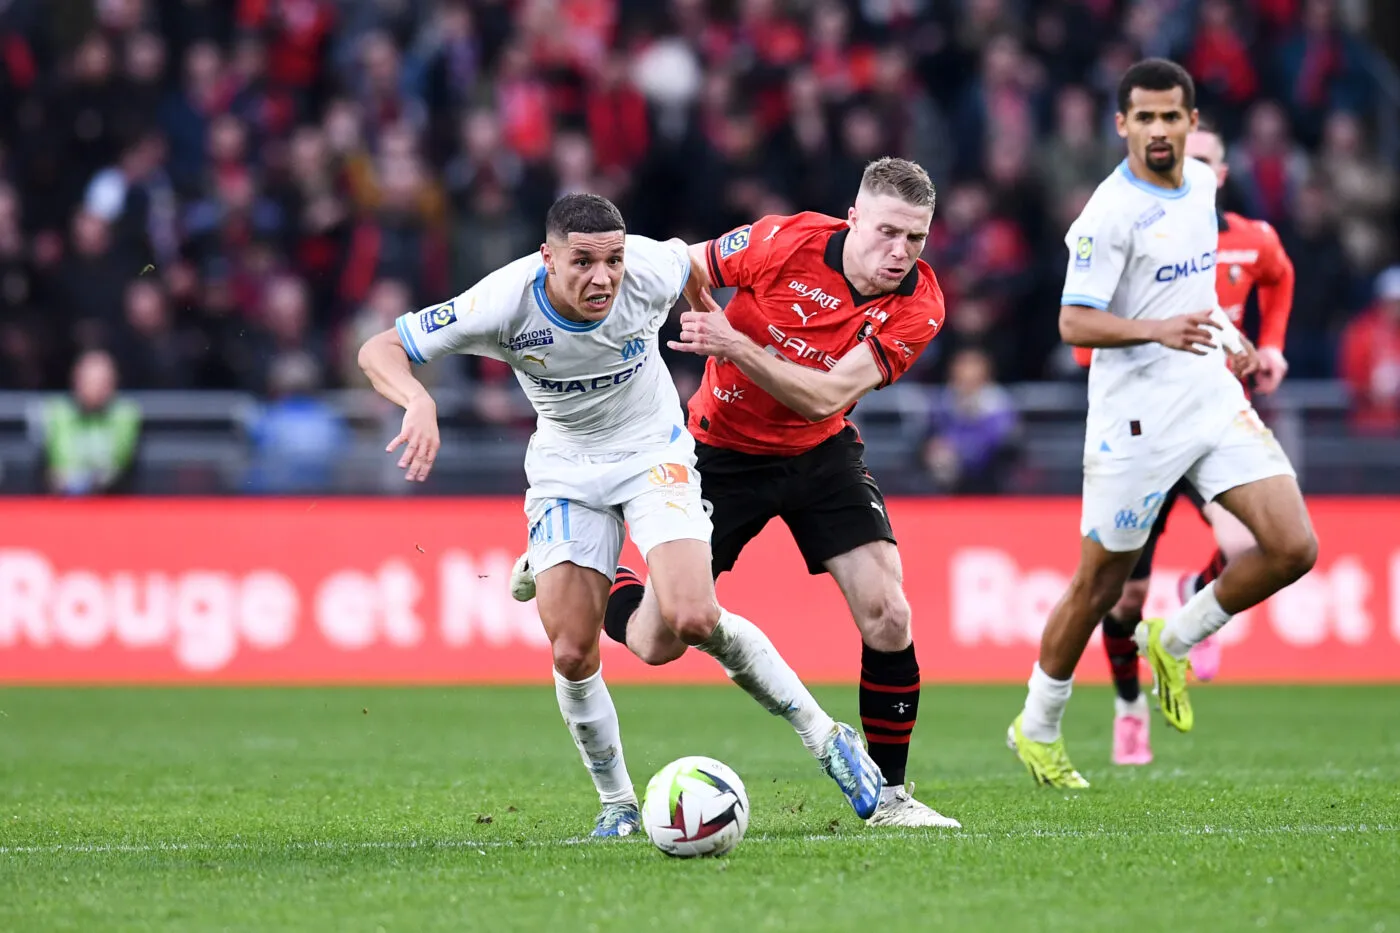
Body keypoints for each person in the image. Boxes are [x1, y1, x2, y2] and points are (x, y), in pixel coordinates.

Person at [358, 193, 884, 839]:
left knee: (690, 618)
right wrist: (417, 400)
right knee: (573, 651)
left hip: (652, 454)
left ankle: (827, 737)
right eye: (583, 262)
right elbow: (380, 347)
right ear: (547, 258)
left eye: (612, 258)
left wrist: (704, 318)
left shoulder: (648, 267)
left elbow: (687, 269)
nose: (603, 277)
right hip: (565, 470)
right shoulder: (500, 300)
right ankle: (618, 804)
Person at [517, 158, 959, 828]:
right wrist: (701, 310)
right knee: (657, 642)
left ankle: (889, 797)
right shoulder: (784, 241)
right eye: (887, 232)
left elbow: (827, 397)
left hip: (820, 449)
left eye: (916, 239)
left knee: (889, 613)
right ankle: (579, 568)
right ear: (854, 218)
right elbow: (681, 263)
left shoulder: (919, 303)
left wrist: (732, 341)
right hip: (718, 452)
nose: (900, 252)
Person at [1007, 59, 1318, 788]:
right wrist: (1158, 331)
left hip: (1209, 396)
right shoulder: (1106, 214)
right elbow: (1071, 320)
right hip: (1136, 422)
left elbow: (1197, 286)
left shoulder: (1203, 186)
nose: (1156, 129)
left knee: (1292, 546)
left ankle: (1175, 638)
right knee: (1098, 586)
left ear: (1191, 123)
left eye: (1169, 116)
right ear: (1121, 126)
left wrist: (1230, 337)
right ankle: (1038, 724)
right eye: (1141, 116)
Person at [1073, 122, 1296, 765]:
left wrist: (1272, 344)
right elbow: (1087, 335)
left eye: (1202, 160)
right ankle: (1127, 707)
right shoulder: (1135, 239)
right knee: (1124, 598)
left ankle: (1196, 600)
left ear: (1218, 174)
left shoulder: (1253, 241)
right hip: (1143, 432)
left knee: (1253, 545)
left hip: (1214, 425)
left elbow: (1279, 277)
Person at [36, 350, 142, 495]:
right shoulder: (56, 413)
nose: (95, 388)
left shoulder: (125, 415)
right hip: (60, 502)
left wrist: (89, 481)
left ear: (113, 383)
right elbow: (46, 467)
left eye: (102, 382)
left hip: (113, 503)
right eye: (89, 381)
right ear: (75, 381)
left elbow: (123, 466)